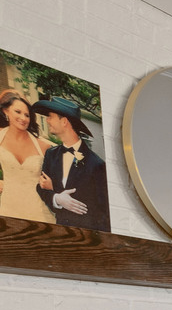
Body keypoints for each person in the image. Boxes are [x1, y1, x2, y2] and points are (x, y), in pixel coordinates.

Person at [32, 97, 108, 232]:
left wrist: (54, 188)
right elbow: (41, 188)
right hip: (59, 233)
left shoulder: (97, 164)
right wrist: (57, 198)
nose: (47, 120)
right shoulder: (51, 155)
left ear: (64, 121)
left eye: (51, 116)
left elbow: (103, 212)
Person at [0, 90, 53, 223]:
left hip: (39, 212)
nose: (23, 118)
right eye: (18, 112)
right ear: (6, 111)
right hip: (7, 210)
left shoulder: (44, 145)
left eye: (27, 115)